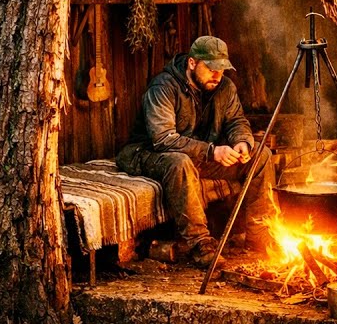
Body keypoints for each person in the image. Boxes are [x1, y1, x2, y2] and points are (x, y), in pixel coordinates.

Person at [116, 36, 276, 268]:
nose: (217, 75)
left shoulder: (224, 87)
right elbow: (163, 139)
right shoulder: (163, 87)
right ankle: (199, 244)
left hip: (195, 155)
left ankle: (259, 233)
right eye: (211, 69)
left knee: (261, 156)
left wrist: (242, 141)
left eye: (222, 70)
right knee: (179, 162)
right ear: (192, 63)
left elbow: (236, 121)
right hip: (147, 153)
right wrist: (212, 152)